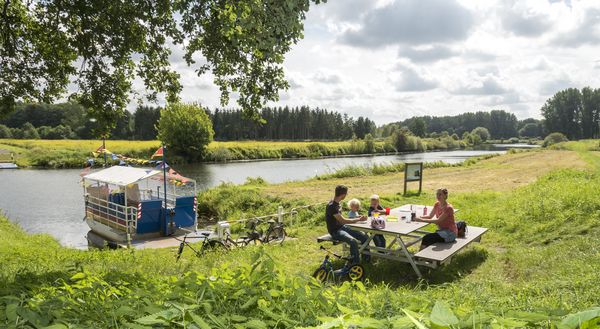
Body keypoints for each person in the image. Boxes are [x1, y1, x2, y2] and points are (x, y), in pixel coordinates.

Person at [325, 185, 369, 265]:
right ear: (343, 195)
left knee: (365, 237)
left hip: (342, 227)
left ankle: (366, 260)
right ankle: (355, 264)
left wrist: (356, 217)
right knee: (353, 241)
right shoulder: (332, 206)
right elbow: (343, 221)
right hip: (335, 231)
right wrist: (359, 219)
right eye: (346, 194)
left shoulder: (337, 204)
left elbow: (341, 220)